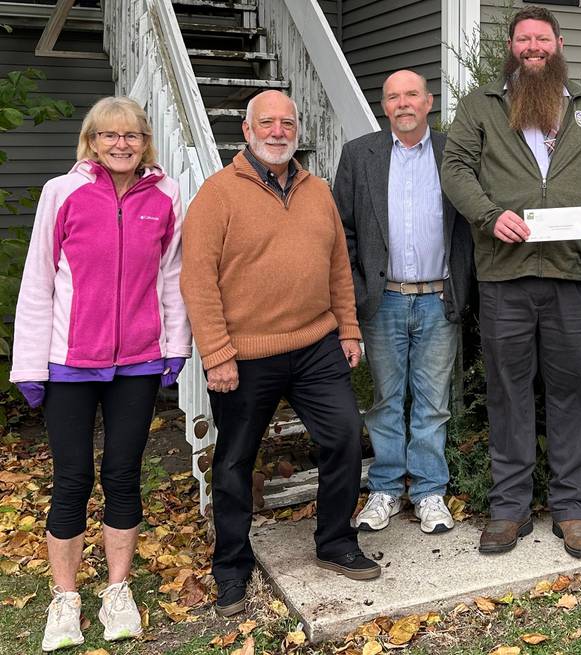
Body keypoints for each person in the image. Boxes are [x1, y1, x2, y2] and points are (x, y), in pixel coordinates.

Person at [180, 90, 380, 618]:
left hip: (317, 344)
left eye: (286, 123)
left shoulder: (317, 192)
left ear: (297, 130)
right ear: (246, 131)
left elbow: (339, 266)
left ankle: (335, 541)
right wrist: (217, 354)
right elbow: (197, 282)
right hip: (245, 354)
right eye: (265, 123)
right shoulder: (217, 195)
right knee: (235, 461)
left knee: (343, 439)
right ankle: (231, 566)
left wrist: (349, 330)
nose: (276, 131)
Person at [10, 96, 191, 650]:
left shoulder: (163, 196)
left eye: (131, 135)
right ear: (91, 141)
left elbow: (171, 276)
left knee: (122, 474)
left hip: (137, 361)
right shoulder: (60, 193)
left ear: (144, 142)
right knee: (71, 480)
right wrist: (29, 362)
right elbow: (39, 279)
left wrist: (175, 346)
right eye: (109, 135)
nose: (121, 144)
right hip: (69, 364)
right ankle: (64, 599)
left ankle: (117, 589)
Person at [441, 6, 581, 557]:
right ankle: (509, 507)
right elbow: (455, 167)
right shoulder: (483, 104)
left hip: (571, 274)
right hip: (505, 277)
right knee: (509, 393)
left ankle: (573, 507)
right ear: (512, 46)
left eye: (543, 39)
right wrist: (489, 216)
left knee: (574, 393)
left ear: (558, 45)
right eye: (524, 39)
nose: (533, 47)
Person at [332, 70, 473, 534]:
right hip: (384, 299)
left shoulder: (455, 151)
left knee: (433, 403)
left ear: (428, 101)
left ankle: (430, 491)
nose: (403, 103)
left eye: (411, 94)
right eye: (393, 96)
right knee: (386, 401)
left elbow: (472, 225)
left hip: (439, 298)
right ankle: (387, 489)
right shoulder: (359, 155)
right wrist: (354, 294)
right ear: (384, 106)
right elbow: (344, 233)